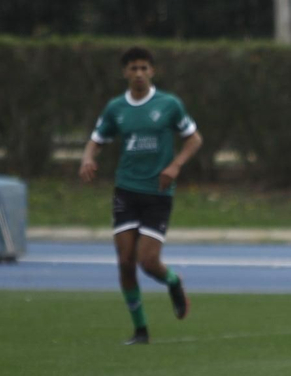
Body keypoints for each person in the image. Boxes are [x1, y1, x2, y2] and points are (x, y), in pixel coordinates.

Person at [78, 46, 202, 344]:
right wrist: (87, 158)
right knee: (125, 262)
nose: (139, 74)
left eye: (144, 68)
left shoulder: (169, 104)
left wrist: (175, 165)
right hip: (126, 191)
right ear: (125, 73)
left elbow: (194, 139)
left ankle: (173, 281)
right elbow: (96, 139)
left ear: (152, 71)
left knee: (147, 261)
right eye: (133, 68)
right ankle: (141, 330)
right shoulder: (116, 108)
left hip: (158, 194)